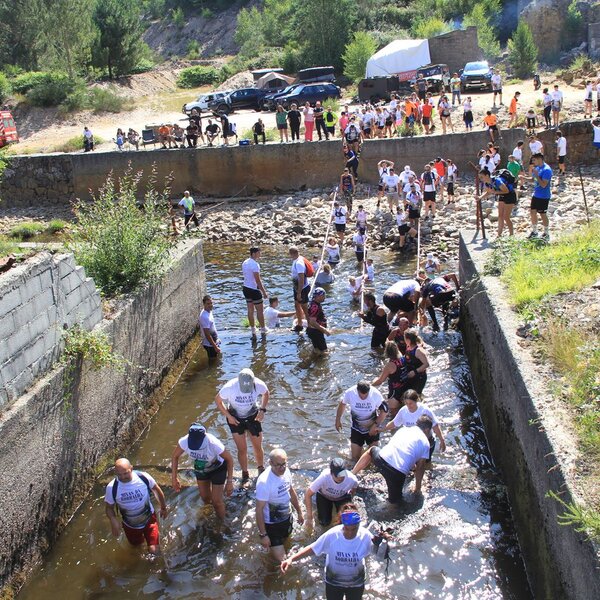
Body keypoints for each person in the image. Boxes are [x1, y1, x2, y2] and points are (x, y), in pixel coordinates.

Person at [281, 505, 379, 600]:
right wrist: (291, 559)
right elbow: (313, 548)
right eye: (347, 529)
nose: (350, 533)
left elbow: (380, 555)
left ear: (358, 525)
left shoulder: (365, 536)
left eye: (354, 529)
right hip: (333, 582)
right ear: (343, 525)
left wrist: (383, 543)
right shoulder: (332, 535)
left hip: (356, 583)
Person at [353, 416, 433, 503]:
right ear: (427, 430)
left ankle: (353, 474)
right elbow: (420, 468)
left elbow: (397, 449)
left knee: (371, 451)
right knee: (395, 503)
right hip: (397, 474)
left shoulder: (404, 429)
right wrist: (418, 489)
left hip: (381, 459)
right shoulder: (426, 443)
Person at [215, 368, 269, 482]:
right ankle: (245, 473)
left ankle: (260, 468)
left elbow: (266, 393)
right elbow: (218, 400)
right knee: (242, 448)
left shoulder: (259, 384)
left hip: (253, 416)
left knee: (257, 446)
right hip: (235, 418)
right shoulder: (229, 387)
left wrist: (262, 410)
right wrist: (229, 416)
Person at [104, 458, 168, 555]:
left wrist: (163, 508)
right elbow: (109, 507)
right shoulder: (112, 487)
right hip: (130, 524)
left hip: (149, 519)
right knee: (136, 548)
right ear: (115, 472)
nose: (122, 477)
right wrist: (113, 520)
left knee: (154, 550)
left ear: (131, 468)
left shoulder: (143, 477)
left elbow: (157, 490)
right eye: (119, 474)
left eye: (125, 473)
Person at [171, 423, 234, 519]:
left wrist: (229, 482)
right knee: (205, 498)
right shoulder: (184, 442)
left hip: (218, 468)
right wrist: (174, 478)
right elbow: (175, 456)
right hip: (201, 469)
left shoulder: (213, 443)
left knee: (217, 502)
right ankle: (209, 516)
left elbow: (229, 459)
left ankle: (221, 523)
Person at [256, 448, 304, 561]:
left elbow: (291, 491)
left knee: (288, 545)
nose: (282, 468)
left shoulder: (286, 471)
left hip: (287, 519)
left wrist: (299, 512)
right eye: (278, 465)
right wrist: (263, 535)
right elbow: (259, 510)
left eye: (284, 464)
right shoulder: (264, 482)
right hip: (272, 525)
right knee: (282, 561)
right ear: (270, 463)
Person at [383, 390, 446, 461]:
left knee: (424, 463)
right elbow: (394, 423)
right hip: (411, 442)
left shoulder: (425, 410)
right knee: (411, 463)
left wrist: (442, 440)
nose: (408, 406)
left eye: (411, 403)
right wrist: (381, 429)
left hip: (427, 441)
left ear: (416, 401)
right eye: (406, 403)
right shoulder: (403, 411)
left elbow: (435, 426)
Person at [335, 381, 388, 462]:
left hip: (372, 428)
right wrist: (338, 420)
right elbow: (342, 404)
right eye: (361, 395)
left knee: (374, 458)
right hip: (356, 429)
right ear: (357, 390)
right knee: (355, 458)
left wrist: (375, 425)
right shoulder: (350, 392)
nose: (363, 397)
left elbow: (385, 410)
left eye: (365, 395)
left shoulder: (375, 394)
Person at [304, 459, 359, 527]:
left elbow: (353, 490)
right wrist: (309, 517)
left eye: (342, 474)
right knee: (324, 523)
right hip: (324, 496)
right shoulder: (324, 477)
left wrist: (350, 500)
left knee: (345, 522)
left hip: (342, 497)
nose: (340, 478)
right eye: (337, 475)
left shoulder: (352, 479)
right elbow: (308, 494)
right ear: (331, 473)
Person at [371, 341, 408, 415]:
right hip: (405, 388)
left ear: (386, 352)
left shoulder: (390, 365)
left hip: (395, 392)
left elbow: (380, 381)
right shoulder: (403, 359)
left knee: (393, 414)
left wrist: (370, 385)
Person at [477, 168, 516, 238]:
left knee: (506, 217)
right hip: (501, 195)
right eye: (480, 177)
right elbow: (489, 192)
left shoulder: (497, 181)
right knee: (500, 216)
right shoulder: (487, 183)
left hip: (510, 195)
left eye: (482, 177)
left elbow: (506, 191)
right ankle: (499, 234)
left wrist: (494, 192)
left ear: (487, 175)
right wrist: (480, 197)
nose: (480, 179)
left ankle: (511, 235)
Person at [242, 246, 269, 336]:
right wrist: (264, 292)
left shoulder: (245, 262)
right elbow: (258, 280)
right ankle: (263, 328)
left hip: (245, 288)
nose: (260, 254)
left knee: (250, 310)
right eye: (258, 253)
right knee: (259, 310)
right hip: (254, 289)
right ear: (253, 253)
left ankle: (253, 329)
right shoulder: (255, 264)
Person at [529, 153, 553, 240]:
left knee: (542, 214)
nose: (533, 162)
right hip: (536, 194)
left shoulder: (547, 170)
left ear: (539, 159)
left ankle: (546, 232)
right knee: (532, 212)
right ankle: (534, 231)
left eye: (534, 160)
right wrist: (523, 178)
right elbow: (533, 180)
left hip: (544, 196)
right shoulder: (537, 168)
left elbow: (543, 184)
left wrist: (537, 175)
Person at [289, 246, 311, 331]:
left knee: (304, 308)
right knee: (297, 305)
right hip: (297, 287)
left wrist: (299, 292)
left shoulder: (299, 263)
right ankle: (300, 324)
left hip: (302, 289)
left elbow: (301, 278)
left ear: (292, 253)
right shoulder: (297, 260)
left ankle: (310, 325)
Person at [403, 329, 429, 394]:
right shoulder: (408, 347)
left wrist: (415, 372)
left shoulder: (418, 351)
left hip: (419, 377)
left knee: (415, 396)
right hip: (410, 375)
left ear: (408, 340)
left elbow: (426, 364)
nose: (404, 340)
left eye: (405, 339)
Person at [306, 287, 330, 353]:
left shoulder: (312, 303)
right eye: (323, 295)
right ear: (319, 296)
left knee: (317, 350)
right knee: (324, 352)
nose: (324, 297)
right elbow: (312, 322)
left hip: (313, 330)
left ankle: (315, 360)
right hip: (316, 331)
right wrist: (324, 330)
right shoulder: (315, 307)